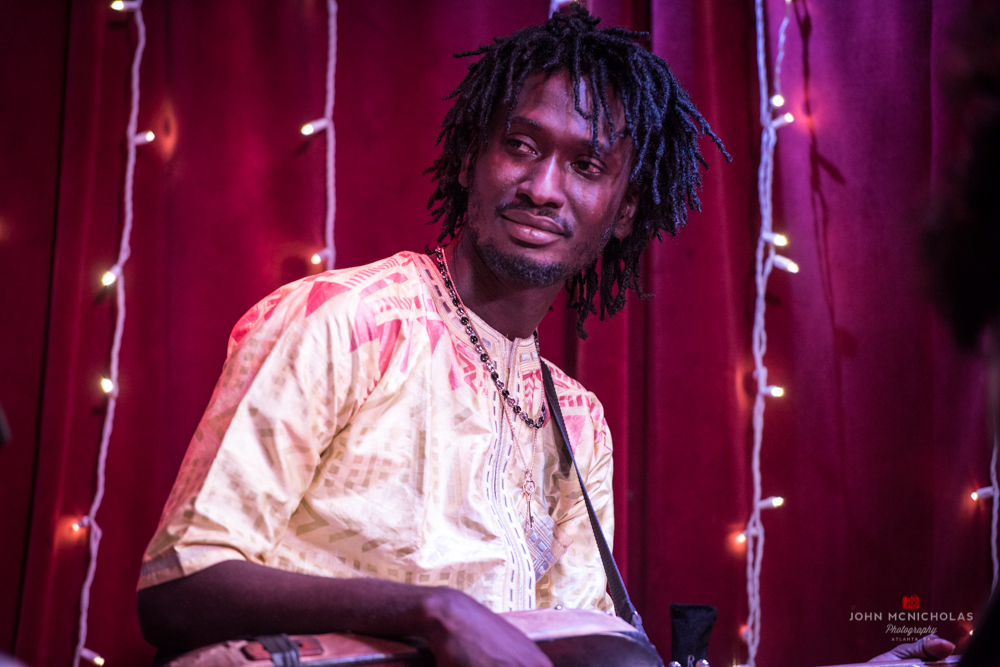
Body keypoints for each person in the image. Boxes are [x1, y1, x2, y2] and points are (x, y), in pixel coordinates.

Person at [136, 7, 726, 666]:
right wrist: (433, 611)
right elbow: (178, 586)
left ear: (624, 212)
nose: (542, 189)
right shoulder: (345, 320)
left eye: (586, 166)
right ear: (472, 158)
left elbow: (575, 641)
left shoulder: (579, 422)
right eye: (521, 145)